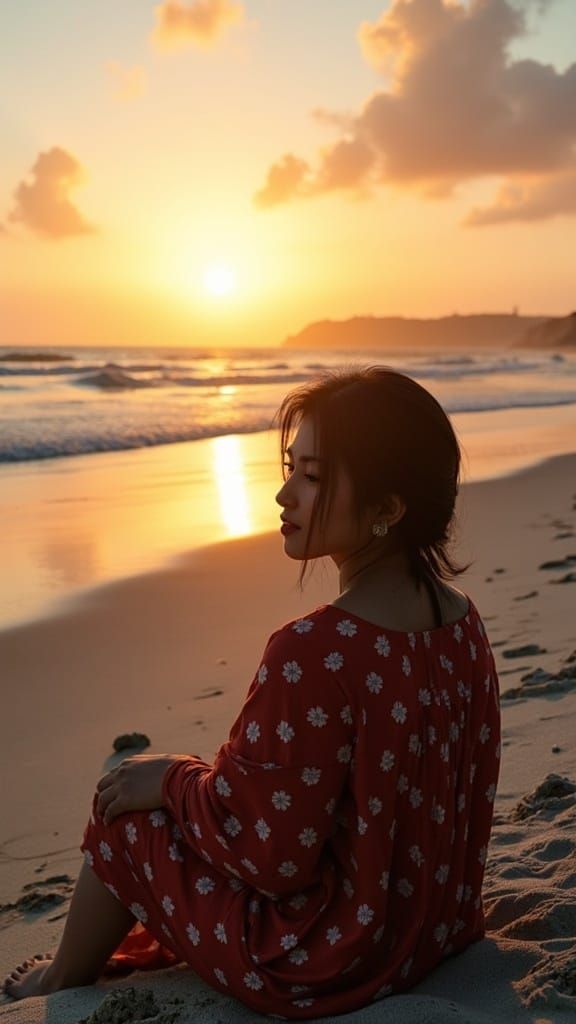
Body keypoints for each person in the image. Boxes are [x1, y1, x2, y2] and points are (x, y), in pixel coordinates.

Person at [4, 367, 501, 1018]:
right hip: (432, 929)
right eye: (291, 468)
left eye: (313, 477)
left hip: (325, 964)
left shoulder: (315, 651)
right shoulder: (463, 621)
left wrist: (174, 781)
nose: (283, 494)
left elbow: (269, 856)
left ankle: (59, 981)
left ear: (388, 509)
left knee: (124, 810)